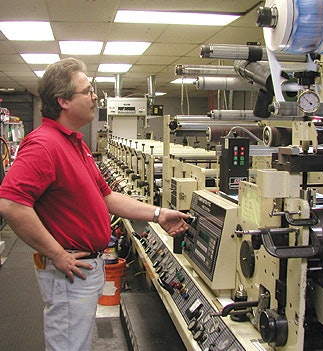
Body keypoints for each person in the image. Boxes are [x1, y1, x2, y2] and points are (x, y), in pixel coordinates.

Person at [0, 57, 189, 351]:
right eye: (87, 91)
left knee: (76, 344)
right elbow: (11, 204)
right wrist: (58, 255)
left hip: (87, 267)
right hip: (70, 270)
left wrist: (158, 213)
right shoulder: (43, 144)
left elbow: (108, 197)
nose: (95, 96)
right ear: (63, 101)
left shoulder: (75, 143)